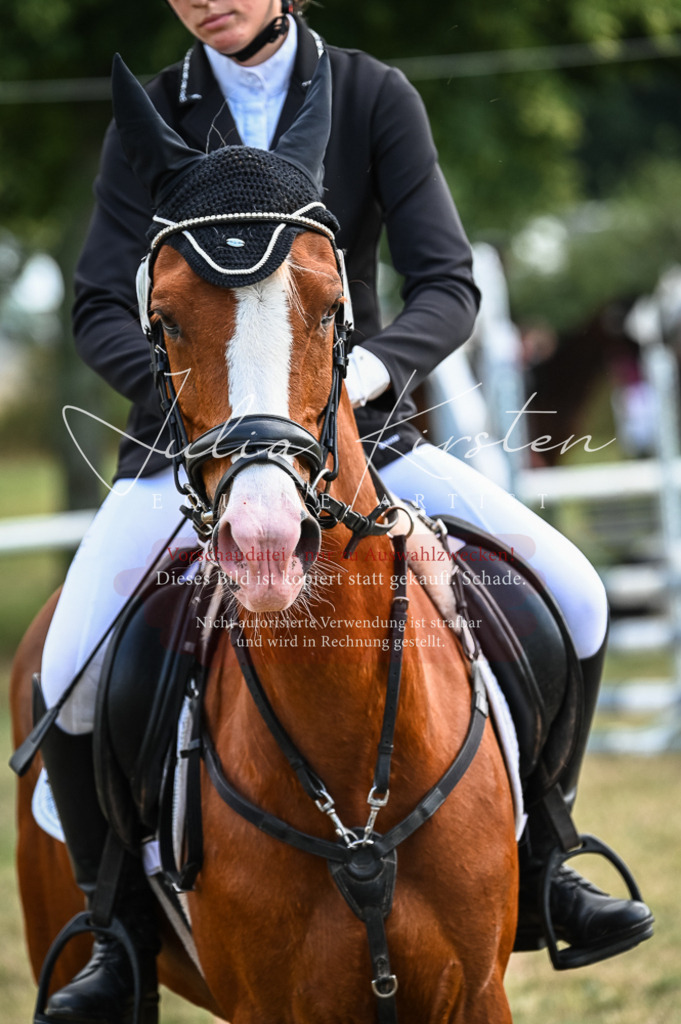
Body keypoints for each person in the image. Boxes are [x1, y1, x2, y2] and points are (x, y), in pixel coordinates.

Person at [35, 1, 653, 1021]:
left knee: (575, 593)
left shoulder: (373, 95)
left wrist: (364, 376)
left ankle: (548, 857)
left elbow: (446, 283)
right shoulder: (148, 116)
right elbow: (101, 303)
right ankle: (119, 934)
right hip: (191, 445)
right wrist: (204, 407)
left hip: (360, 430)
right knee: (69, 666)